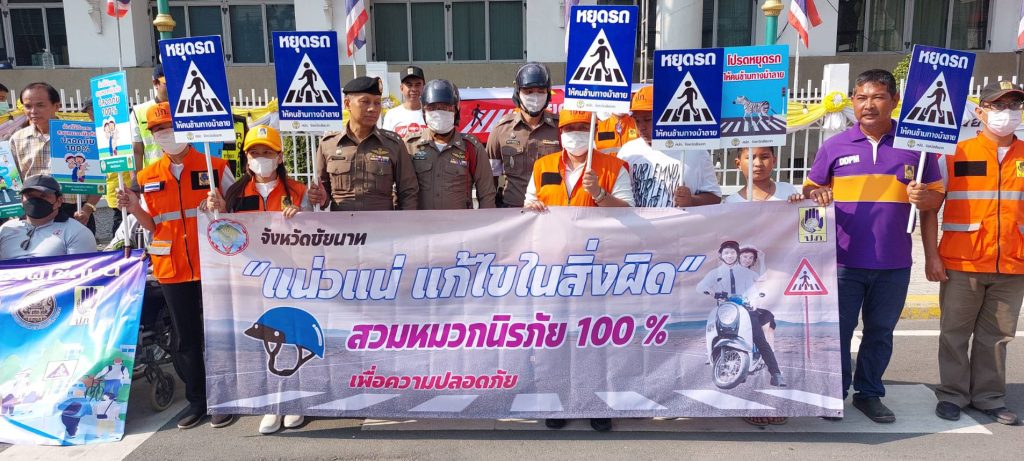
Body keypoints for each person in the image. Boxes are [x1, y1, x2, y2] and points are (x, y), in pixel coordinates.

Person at [804, 69, 944, 423]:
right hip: (842, 261)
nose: (868, 105)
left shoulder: (917, 149)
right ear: (853, 102)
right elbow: (810, 189)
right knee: (837, 331)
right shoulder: (834, 146)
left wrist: (924, 198)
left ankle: (869, 394)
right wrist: (817, 193)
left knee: (879, 333)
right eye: (861, 98)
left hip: (894, 262)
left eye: (878, 97)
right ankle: (835, 392)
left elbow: (935, 202)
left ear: (894, 101)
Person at [115, 101, 237, 430]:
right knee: (185, 337)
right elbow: (152, 224)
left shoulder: (215, 166)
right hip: (170, 267)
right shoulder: (147, 176)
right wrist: (133, 206)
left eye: (169, 127)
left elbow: (238, 214)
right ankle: (198, 400)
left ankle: (224, 397)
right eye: (157, 130)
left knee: (218, 334)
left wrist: (223, 205)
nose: (164, 134)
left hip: (212, 262)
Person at [923, 81, 1024, 426]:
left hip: (1013, 264)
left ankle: (989, 398)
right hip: (961, 262)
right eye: (999, 106)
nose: (1007, 113)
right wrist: (931, 256)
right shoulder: (956, 154)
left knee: (996, 337)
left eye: (1014, 106)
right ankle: (952, 394)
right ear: (980, 112)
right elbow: (930, 208)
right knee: (954, 333)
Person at [524, 109, 632, 432]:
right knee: (556, 339)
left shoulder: (614, 167)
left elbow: (629, 214)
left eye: (583, 127)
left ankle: (596, 403)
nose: (576, 133)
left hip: (597, 270)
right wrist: (530, 208)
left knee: (594, 339)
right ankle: (558, 401)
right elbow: (527, 208)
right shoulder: (543, 166)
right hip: (553, 270)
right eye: (570, 127)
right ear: (561, 132)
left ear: (593, 130)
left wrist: (599, 193)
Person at [205, 124, 309, 434]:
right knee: (263, 342)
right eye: (254, 153)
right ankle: (271, 404)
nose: (260, 158)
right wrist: (217, 211)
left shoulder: (298, 190)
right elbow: (223, 235)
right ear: (246, 158)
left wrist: (303, 214)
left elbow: (318, 229)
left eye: (267, 152)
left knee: (291, 337)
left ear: (279, 157)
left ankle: (294, 400)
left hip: (289, 276)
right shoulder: (235, 193)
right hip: (251, 278)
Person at [307, 76, 418, 211]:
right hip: (342, 223)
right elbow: (322, 192)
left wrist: (405, 221)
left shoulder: (393, 144)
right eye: (365, 102)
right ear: (347, 104)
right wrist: (320, 197)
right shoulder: (328, 144)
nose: (372, 108)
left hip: (382, 223)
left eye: (377, 103)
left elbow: (408, 191)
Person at [9, 82, 100, 233]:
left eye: (40, 105)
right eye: (28, 106)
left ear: (57, 106)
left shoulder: (79, 134)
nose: (33, 111)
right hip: (34, 211)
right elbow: (14, 181)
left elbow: (97, 179)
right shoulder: (17, 139)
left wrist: (87, 209)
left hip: (74, 211)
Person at [697, 240, 786, 391]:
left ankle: (776, 373)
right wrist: (711, 292)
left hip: (746, 310)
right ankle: (716, 360)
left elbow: (755, 290)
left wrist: (754, 300)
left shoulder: (747, 273)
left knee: (759, 339)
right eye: (726, 253)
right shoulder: (715, 273)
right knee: (716, 335)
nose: (729, 255)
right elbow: (700, 287)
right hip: (725, 311)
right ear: (721, 255)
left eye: (732, 252)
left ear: (737, 254)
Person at [617, 86, 721, 207]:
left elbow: (715, 197)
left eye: (648, 119)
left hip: (681, 220)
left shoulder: (695, 151)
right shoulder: (627, 152)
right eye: (637, 121)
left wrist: (692, 201)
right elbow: (617, 198)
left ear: (666, 115)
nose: (641, 127)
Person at [404, 79, 495, 209]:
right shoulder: (410, 146)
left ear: (456, 110)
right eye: (432, 107)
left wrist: (486, 220)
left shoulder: (471, 147)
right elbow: (402, 192)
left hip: (460, 222)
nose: (439, 112)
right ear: (424, 111)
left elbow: (487, 194)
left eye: (445, 107)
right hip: (421, 221)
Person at [487, 62, 561, 208]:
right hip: (512, 212)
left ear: (548, 94)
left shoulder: (560, 129)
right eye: (528, 91)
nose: (535, 96)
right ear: (518, 93)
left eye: (541, 91)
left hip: (550, 212)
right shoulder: (501, 130)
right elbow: (490, 179)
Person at [0, 175, 96, 259]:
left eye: (43, 196)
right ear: (21, 200)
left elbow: (81, 270)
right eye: (30, 196)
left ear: (59, 201)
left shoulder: (76, 233)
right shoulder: (6, 229)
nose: (36, 201)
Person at [724, 146, 803, 203]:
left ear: (774, 161)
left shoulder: (788, 191)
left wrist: (800, 203)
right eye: (751, 157)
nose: (758, 164)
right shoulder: (731, 203)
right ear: (738, 164)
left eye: (764, 157)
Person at [381, 66, 427, 137]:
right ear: (401, 88)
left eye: (417, 85)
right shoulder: (391, 115)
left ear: (423, 87)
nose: (414, 89)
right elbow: (386, 141)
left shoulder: (430, 113)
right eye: (409, 85)